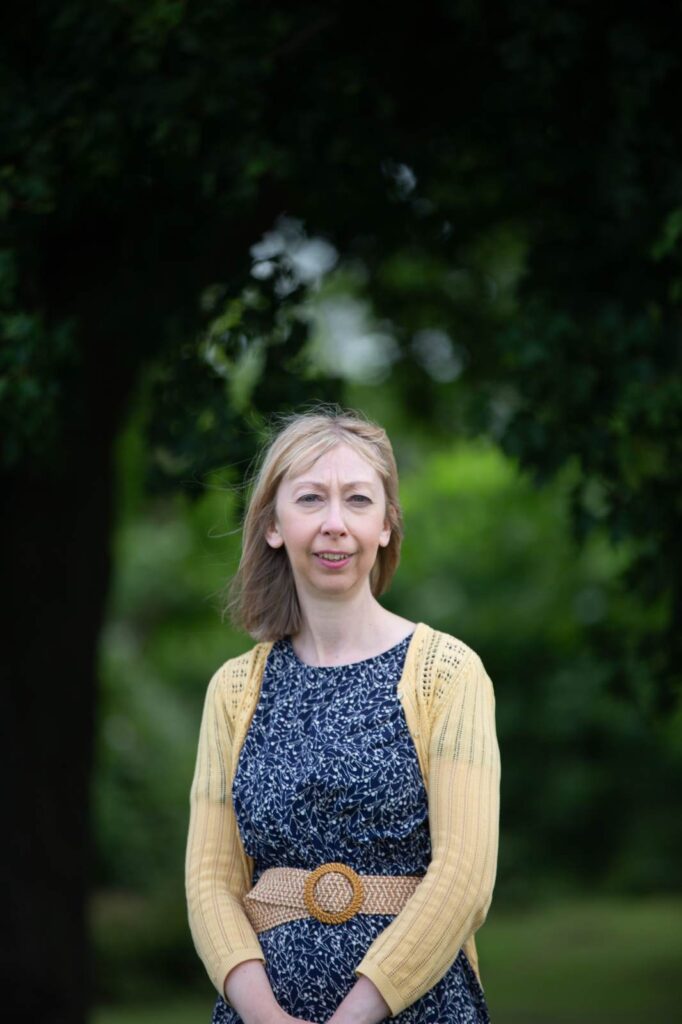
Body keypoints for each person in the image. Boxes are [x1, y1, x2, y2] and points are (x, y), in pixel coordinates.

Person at [185, 406, 501, 1024]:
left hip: (420, 1008)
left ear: (385, 525)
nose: (335, 523)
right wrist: (265, 1016)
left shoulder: (447, 672)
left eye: (358, 500)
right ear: (273, 525)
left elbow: (463, 878)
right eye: (310, 499)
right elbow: (209, 883)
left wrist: (354, 1017)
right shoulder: (233, 690)